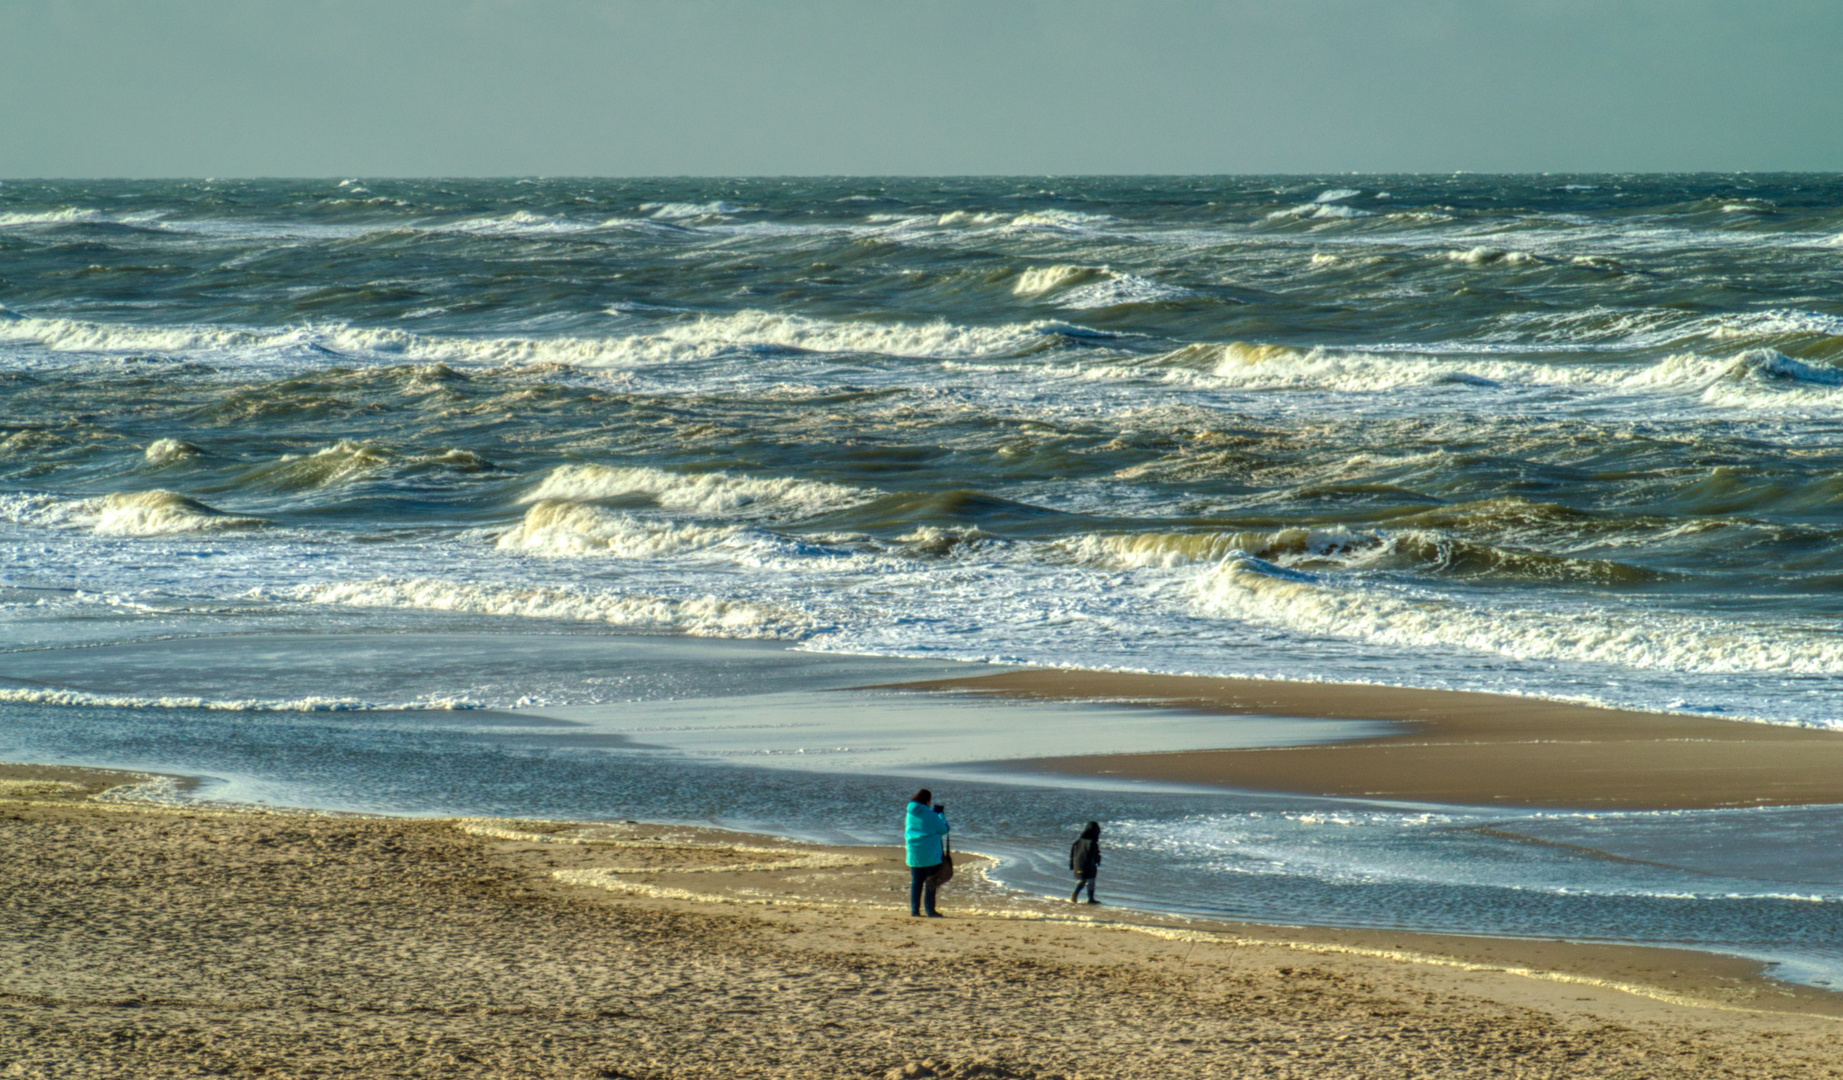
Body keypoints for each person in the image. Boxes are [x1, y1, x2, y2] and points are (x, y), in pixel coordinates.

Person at [904, 788, 950, 917]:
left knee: (916, 883)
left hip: (914, 853)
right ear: (927, 800)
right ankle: (930, 910)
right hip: (930, 854)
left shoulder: (910, 814)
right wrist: (940, 815)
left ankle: (915, 910)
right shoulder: (931, 815)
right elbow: (944, 829)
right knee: (931, 883)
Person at [1069, 821, 1101, 904]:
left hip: (1077, 866)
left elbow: (1072, 855)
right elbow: (1095, 856)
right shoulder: (1093, 843)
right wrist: (1097, 862)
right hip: (1088, 866)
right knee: (1091, 882)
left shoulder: (1077, 842)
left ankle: (1074, 894)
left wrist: (1071, 865)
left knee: (1082, 880)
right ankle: (1090, 899)